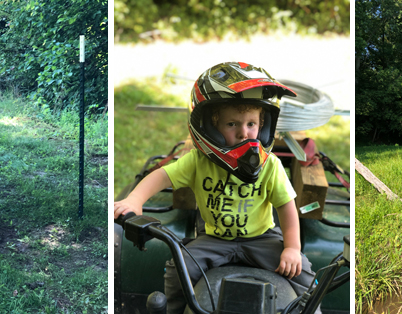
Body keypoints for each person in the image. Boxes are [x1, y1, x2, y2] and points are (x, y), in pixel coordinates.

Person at [114, 62, 321, 314]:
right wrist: (135, 199)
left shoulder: (270, 165)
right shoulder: (198, 161)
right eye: (232, 124)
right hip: (214, 239)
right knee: (177, 269)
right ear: (210, 127)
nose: (244, 133)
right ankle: (174, 310)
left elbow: (286, 206)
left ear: (263, 126)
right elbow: (162, 176)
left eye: (252, 124)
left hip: (262, 239)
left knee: (306, 277)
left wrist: (291, 248)